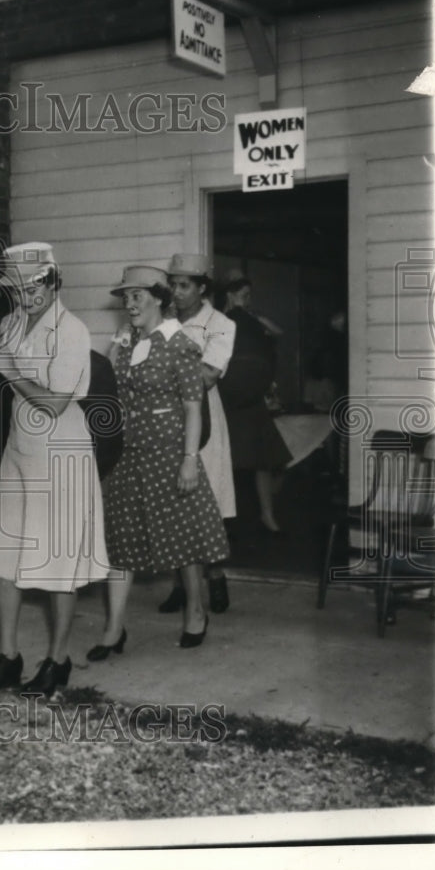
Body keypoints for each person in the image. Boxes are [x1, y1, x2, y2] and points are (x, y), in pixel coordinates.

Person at [0, 242, 110, 697]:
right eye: (18, 288)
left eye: (35, 285)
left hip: (61, 454)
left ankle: (58, 659)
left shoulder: (72, 330)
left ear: (53, 281)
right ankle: (8, 656)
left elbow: (52, 403)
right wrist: (10, 367)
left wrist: (11, 371)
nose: (26, 294)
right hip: (19, 452)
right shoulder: (11, 322)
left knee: (59, 562)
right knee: (1, 556)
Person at [90, 265, 230, 658]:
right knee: (120, 542)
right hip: (127, 453)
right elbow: (109, 391)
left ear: (158, 298)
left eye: (137, 296)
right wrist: (117, 350)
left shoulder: (180, 344)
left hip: (169, 452)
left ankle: (196, 612)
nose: (129, 304)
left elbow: (193, 407)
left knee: (183, 540)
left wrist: (189, 460)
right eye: (125, 297)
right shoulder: (125, 342)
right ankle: (114, 630)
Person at [159, 253, 235, 614]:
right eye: (172, 285)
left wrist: (164, 371)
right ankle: (181, 585)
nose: (176, 292)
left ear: (202, 288)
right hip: (167, 419)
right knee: (175, 502)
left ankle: (216, 577)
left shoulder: (220, 323)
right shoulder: (163, 321)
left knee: (208, 502)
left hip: (203, 419)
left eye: (184, 285)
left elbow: (208, 375)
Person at [220, 276, 293, 534]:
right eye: (243, 294)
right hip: (228, 398)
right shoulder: (219, 319)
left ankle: (267, 515)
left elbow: (278, 332)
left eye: (250, 294)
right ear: (230, 294)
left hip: (253, 398)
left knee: (263, 459)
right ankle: (221, 520)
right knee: (225, 460)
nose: (248, 299)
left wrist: (251, 312)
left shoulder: (251, 319)